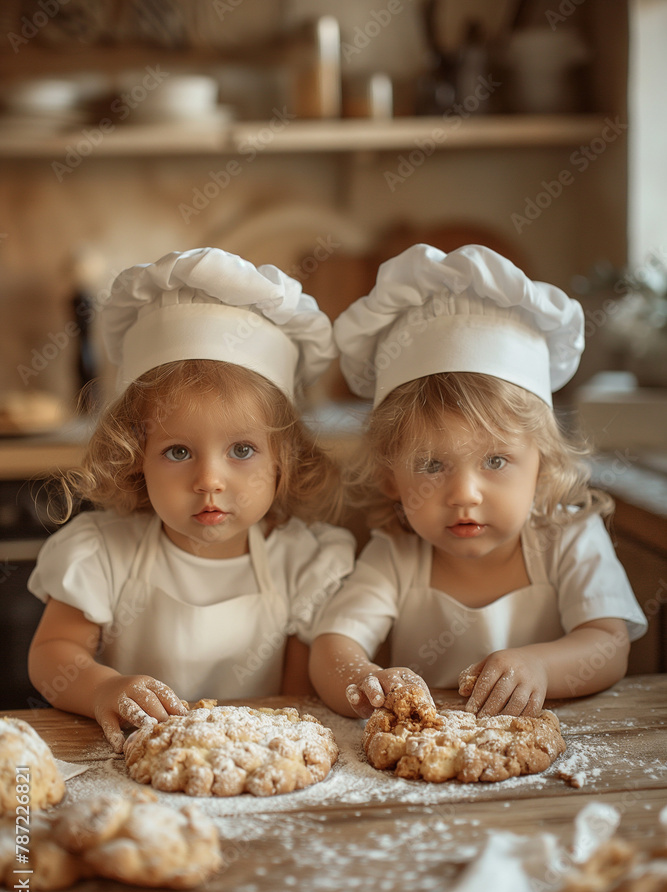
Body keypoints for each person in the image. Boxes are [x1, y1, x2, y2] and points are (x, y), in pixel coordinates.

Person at [28, 247, 355, 750]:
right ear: (135, 456)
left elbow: (296, 706)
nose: (209, 481)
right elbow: (53, 654)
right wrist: (103, 688)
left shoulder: (302, 564)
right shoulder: (101, 553)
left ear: (282, 459)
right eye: (178, 451)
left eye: (241, 450)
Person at [309, 244, 647, 719]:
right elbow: (331, 647)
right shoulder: (397, 555)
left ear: (543, 465)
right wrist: (364, 678)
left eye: (495, 460)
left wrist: (540, 666)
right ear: (389, 478)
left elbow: (608, 645)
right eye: (431, 465)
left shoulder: (569, 537)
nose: (464, 494)